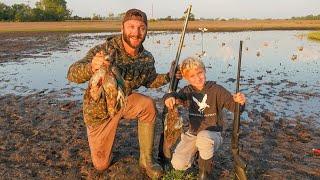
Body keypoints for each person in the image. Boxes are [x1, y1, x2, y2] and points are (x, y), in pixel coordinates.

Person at [67, 9, 171, 179]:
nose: (136, 33)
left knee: (148, 106)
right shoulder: (103, 50)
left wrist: (169, 76)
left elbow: (150, 80)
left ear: (146, 31)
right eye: (131, 27)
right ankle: (100, 139)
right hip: (100, 113)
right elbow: (72, 73)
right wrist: (91, 67)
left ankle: (146, 160)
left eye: (141, 28)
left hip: (123, 102)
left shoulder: (146, 58)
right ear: (122, 27)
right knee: (101, 165)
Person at [163, 57, 246, 179]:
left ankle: (204, 172)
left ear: (205, 71)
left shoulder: (217, 90)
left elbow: (235, 108)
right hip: (193, 134)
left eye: (200, 73)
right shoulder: (187, 91)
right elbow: (174, 95)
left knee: (204, 138)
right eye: (192, 76)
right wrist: (169, 98)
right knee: (178, 164)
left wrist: (240, 102)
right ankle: (198, 156)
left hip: (213, 134)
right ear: (186, 78)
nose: (197, 78)